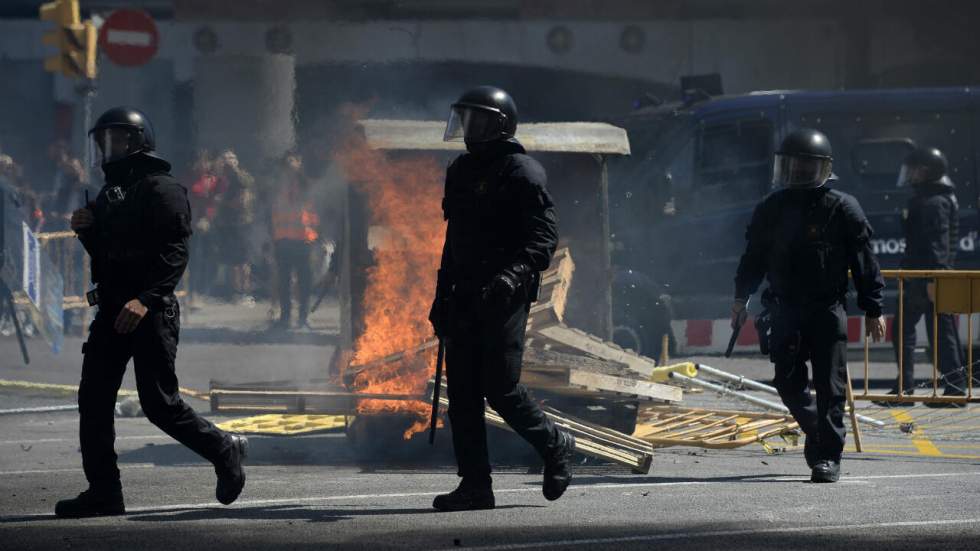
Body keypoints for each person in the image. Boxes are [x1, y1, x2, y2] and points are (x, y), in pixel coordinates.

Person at [57, 107, 248, 518]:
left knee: (159, 403)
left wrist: (145, 299)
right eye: (103, 140)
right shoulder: (109, 194)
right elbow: (108, 256)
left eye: (117, 139)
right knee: (93, 400)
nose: (109, 148)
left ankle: (223, 449)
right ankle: (104, 491)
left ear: (139, 141)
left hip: (150, 311)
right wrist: (88, 230)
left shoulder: (163, 189)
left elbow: (175, 253)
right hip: (112, 310)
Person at [428, 86, 575, 511]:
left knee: (500, 387)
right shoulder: (459, 170)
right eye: (466, 119)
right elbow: (452, 241)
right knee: (463, 397)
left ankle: (554, 445)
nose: (470, 129)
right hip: (462, 295)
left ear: (502, 124)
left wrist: (513, 275)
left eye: (479, 120)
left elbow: (543, 238)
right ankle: (475, 485)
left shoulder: (522, 172)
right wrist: (441, 295)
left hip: (503, 297)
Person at [732, 128, 886, 483]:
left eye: (805, 165)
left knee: (831, 388)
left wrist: (873, 307)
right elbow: (753, 258)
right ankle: (818, 433)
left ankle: (827, 458)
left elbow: (865, 261)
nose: (798, 171)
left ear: (822, 168)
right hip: (784, 309)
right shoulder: (771, 208)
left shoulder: (842, 208)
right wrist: (741, 297)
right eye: (792, 164)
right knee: (787, 383)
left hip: (826, 310)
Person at [877, 146, 966, 407]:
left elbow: (936, 244)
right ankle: (945, 387)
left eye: (914, 170)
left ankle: (934, 389)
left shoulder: (933, 202)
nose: (910, 175)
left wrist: (931, 280)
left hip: (926, 277)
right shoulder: (933, 197)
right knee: (937, 331)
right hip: (926, 276)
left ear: (926, 171)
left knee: (914, 331)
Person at [269, 151, 319, 329]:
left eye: (294, 161)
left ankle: (303, 317)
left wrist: (316, 234)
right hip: (283, 240)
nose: (291, 166)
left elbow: (315, 212)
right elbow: (271, 213)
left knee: (305, 281)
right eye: (287, 163)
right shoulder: (276, 187)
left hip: (303, 240)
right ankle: (285, 317)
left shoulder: (307, 185)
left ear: (299, 163)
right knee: (284, 281)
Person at [212, 149, 256, 303]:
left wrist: (222, 201)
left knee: (242, 260)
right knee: (230, 260)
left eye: (230, 158)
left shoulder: (241, 177)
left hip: (241, 223)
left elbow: (242, 202)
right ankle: (234, 292)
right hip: (227, 224)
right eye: (225, 159)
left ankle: (245, 292)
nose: (227, 162)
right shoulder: (222, 179)